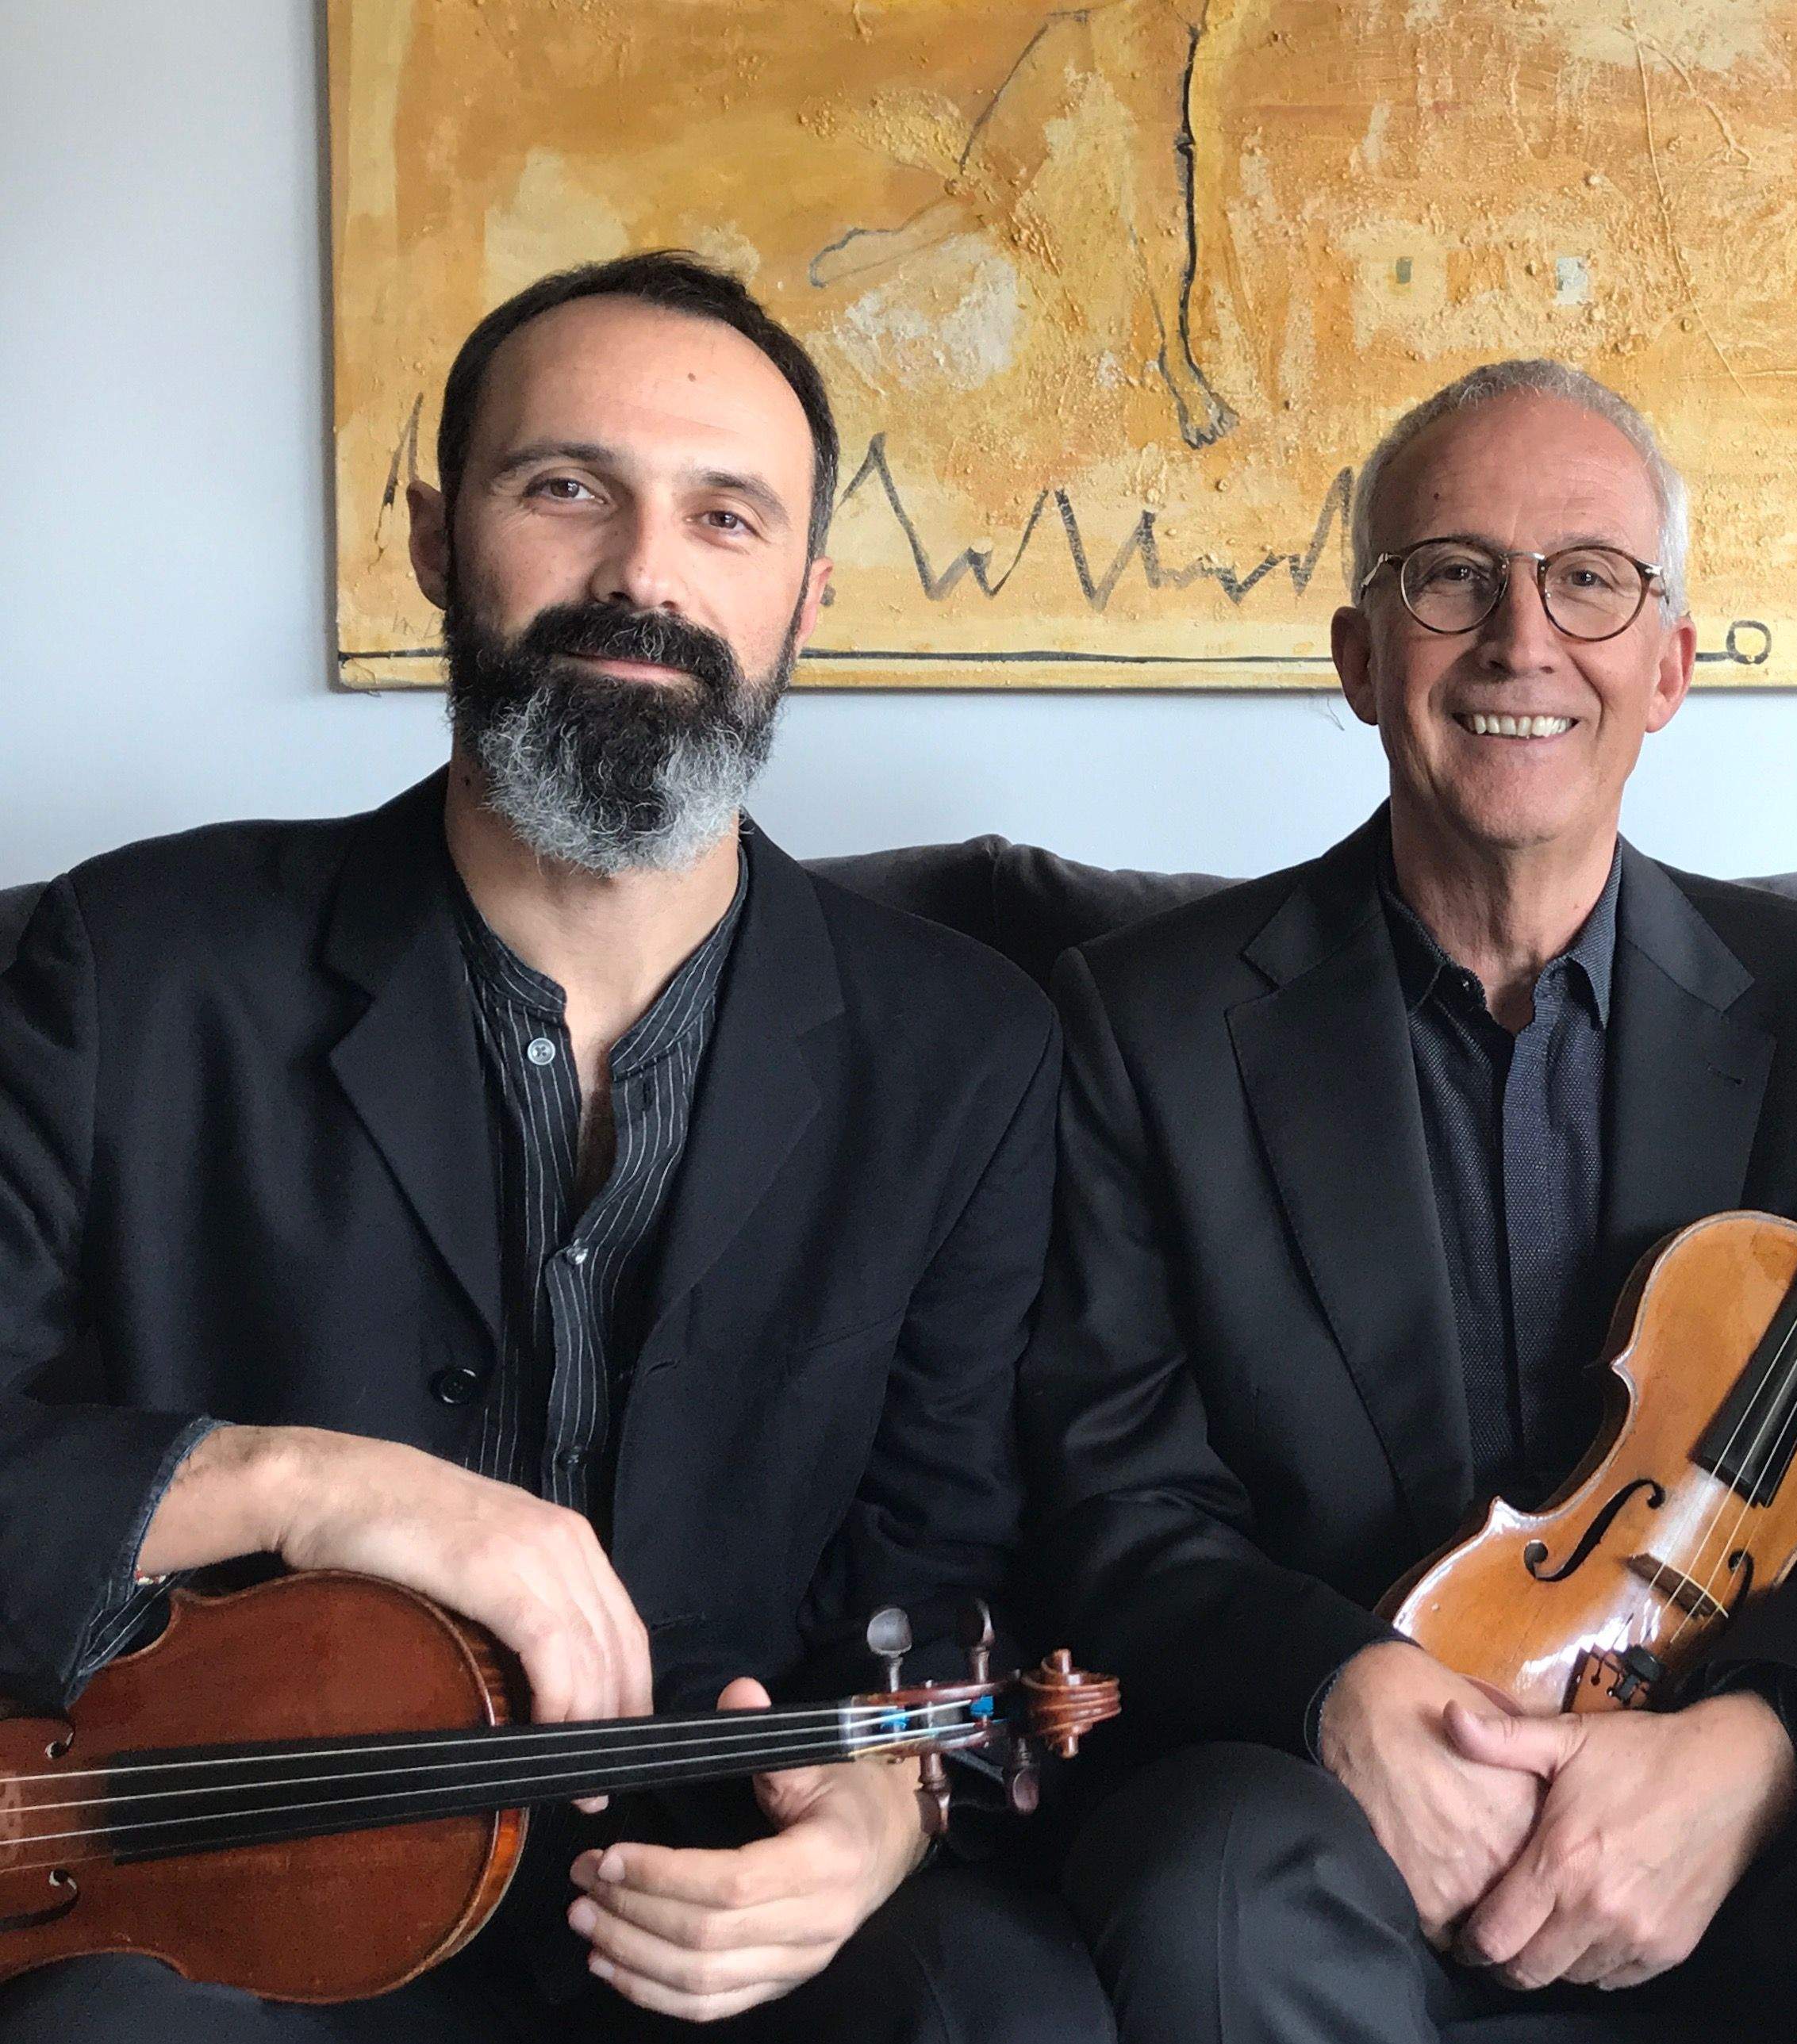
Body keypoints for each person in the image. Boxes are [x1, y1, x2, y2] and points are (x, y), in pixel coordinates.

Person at [0, 253, 1109, 2043]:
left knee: (1005, 2006)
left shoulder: (963, 1047)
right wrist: (311, 1484)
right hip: (232, 1893)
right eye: (566, 487)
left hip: (699, 1905)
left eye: (724, 516)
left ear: (803, 597)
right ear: (439, 539)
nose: (642, 578)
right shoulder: (135, 962)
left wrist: (882, 1827)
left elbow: (941, 1562)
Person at [1025, 359, 1797, 2044]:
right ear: (1357, 657)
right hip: (1348, 1823)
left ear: (1670, 665)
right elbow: (1113, 1494)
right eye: (1450, 576)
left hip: (1748, 1828)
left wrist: (1757, 1742)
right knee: (1218, 1890)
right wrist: (1342, 1691)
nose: (1521, 641)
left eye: (1590, 580)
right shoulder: (1142, 1024)